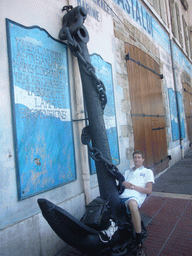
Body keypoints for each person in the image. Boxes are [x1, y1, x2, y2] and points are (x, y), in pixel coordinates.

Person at [120, 150, 154, 256]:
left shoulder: (148, 172)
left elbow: (149, 191)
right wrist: (123, 183)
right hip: (122, 195)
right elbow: (121, 184)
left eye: (139, 157)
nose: (137, 159)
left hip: (134, 197)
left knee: (133, 204)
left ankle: (139, 242)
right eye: (135, 157)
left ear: (143, 159)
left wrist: (134, 187)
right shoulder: (127, 172)